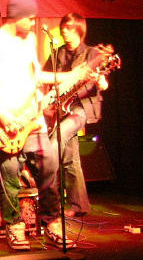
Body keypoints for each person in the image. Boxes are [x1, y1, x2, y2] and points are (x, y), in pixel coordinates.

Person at [0, 0, 78, 250]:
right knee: (9, 178)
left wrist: (69, 76)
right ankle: (15, 228)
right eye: (28, 18)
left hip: (32, 118)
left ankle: (52, 223)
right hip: (4, 121)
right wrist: (1, 112)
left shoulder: (30, 39)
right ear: (15, 16)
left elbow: (36, 75)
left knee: (49, 166)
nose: (32, 22)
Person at [43, 12, 108, 218]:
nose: (65, 32)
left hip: (81, 108)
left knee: (55, 141)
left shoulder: (92, 54)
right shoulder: (58, 53)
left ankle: (47, 198)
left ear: (80, 30)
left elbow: (103, 83)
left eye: (70, 28)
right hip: (61, 107)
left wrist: (100, 81)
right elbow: (45, 78)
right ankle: (79, 205)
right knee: (70, 157)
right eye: (63, 28)